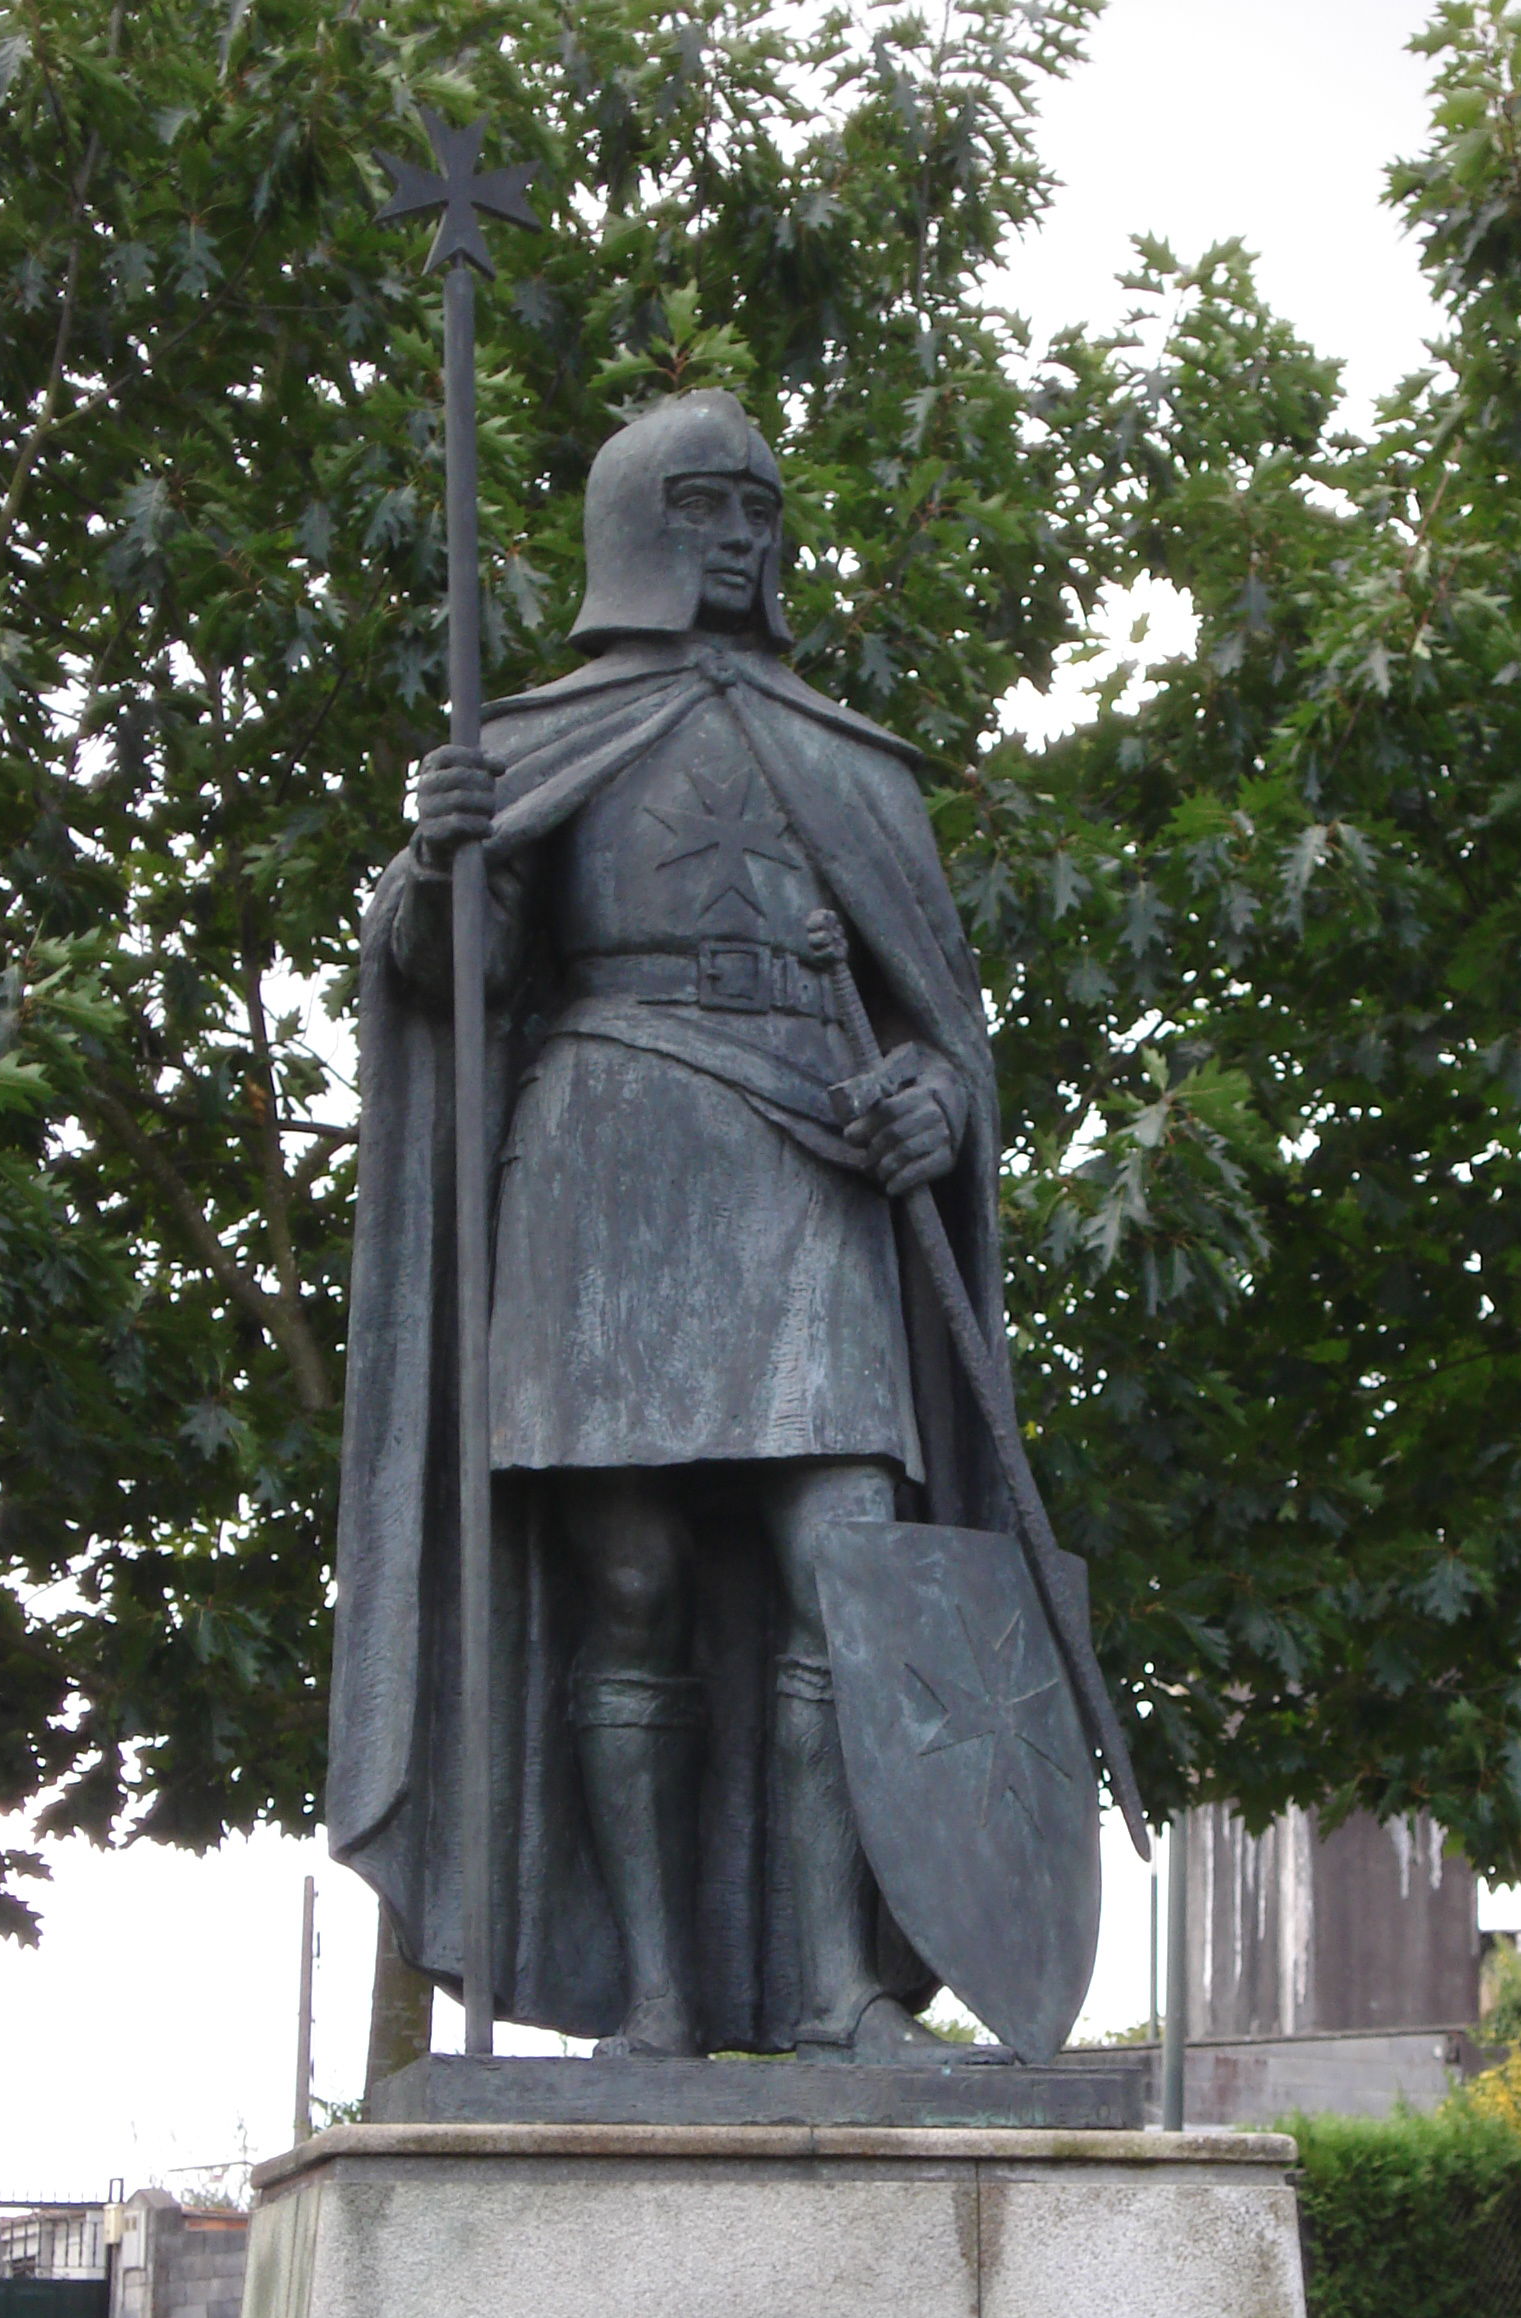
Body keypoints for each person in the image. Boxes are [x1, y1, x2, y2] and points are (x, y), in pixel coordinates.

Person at [327, 390, 1012, 2061]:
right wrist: (442, 870)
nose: (743, 535)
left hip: (810, 1168)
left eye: (762, 509)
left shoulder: (850, 761)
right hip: (606, 1154)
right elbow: (455, 986)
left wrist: (938, 1097)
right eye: (706, 502)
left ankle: (838, 1985)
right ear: (638, 523)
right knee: (625, 1577)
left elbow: (944, 1024)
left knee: (851, 1559)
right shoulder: (541, 738)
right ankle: (647, 1997)